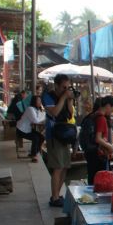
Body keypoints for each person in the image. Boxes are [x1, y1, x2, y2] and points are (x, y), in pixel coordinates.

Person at [42, 74, 76, 207]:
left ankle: (57, 194)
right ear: (56, 85)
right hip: (54, 135)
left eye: (68, 87)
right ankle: (55, 197)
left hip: (65, 134)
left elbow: (70, 113)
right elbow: (54, 112)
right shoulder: (47, 96)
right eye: (63, 87)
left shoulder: (65, 96)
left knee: (65, 166)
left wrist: (69, 100)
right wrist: (63, 97)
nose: (66, 89)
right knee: (58, 167)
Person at [85, 95, 113, 185]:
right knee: (100, 182)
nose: (111, 111)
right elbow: (98, 139)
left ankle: (90, 198)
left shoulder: (93, 116)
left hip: (91, 152)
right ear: (108, 105)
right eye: (112, 108)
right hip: (98, 154)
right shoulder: (101, 118)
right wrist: (110, 147)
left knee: (92, 179)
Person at [16, 95, 46, 162]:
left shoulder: (36, 109)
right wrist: (43, 118)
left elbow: (40, 119)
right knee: (35, 137)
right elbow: (36, 121)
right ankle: (34, 155)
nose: (40, 102)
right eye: (38, 101)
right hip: (21, 130)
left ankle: (34, 152)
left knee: (42, 136)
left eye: (40, 101)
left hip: (28, 129)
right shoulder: (30, 109)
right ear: (34, 101)